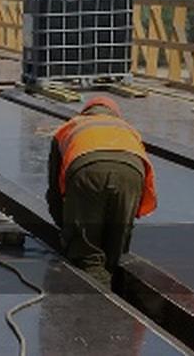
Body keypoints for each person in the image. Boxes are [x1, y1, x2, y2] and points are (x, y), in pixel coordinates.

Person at [46, 96, 157, 286]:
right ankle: (113, 289)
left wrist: (67, 229)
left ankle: (98, 297)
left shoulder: (70, 127)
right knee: (115, 249)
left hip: (87, 170)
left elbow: (55, 192)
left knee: (87, 255)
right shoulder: (128, 129)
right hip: (131, 174)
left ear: (86, 112)